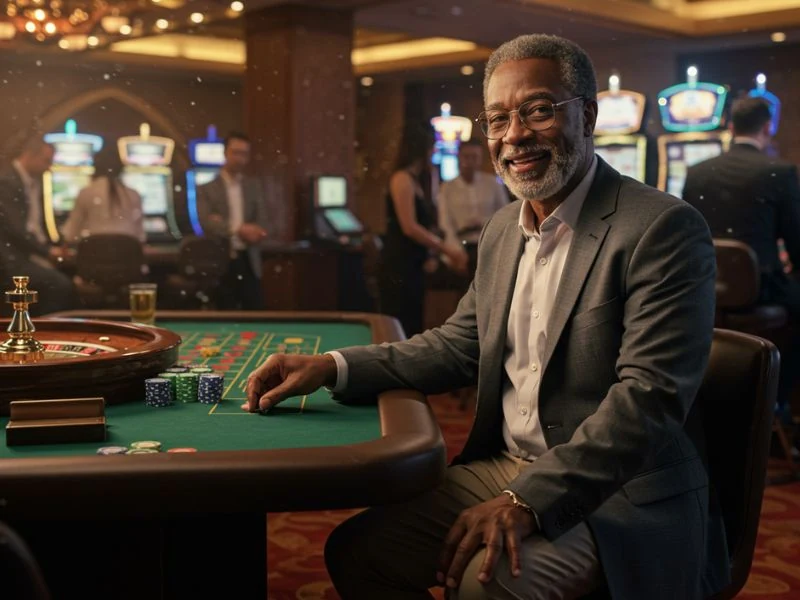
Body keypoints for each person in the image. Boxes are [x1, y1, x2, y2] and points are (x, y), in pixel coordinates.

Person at [243, 34, 729, 600]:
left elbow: (649, 398)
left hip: (619, 493)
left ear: (587, 116)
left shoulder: (661, 227)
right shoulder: (502, 229)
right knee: (360, 551)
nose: (514, 135)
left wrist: (529, 499)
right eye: (498, 119)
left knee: (486, 584)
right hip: (506, 462)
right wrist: (332, 367)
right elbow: (458, 344)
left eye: (538, 111)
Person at [683, 96, 800, 424]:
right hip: (759, 291)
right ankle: (777, 402)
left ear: (731, 126)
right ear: (768, 126)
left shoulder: (697, 171)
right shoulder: (779, 171)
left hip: (704, 289)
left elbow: (688, 234)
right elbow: (796, 244)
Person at [379, 125, 468, 337]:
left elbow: (429, 221)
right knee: (401, 330)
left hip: (412, 265)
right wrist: (446, 249)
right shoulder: (401, 178)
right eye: (432, 147)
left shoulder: (418, 179)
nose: (434, 152)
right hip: (399, 265)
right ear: (420, 148)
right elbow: (409, 227)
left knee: (412, 325)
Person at [0, 137, 76, 315]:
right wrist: (48, 252)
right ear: (29, 155)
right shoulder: (6, 182)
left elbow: (42, 225)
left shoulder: (34, 182)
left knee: (74, 275)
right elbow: (16, 230)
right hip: (12, 258)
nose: (49, 167)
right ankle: (43, 328)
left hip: (31, 252)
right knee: (60, 285)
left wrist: (58, 246)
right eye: (46, 160)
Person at [197, 132, 268, 310]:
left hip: (249, 259)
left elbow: (263, 223)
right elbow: (206, 223)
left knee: (255, 312)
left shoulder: (253, 186)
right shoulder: (206, 188)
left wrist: (255, 231)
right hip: (221, 260)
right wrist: (238, 229)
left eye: (244, 154)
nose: (239, 158)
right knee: (224, 313)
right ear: (225, 153)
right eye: (235, 152)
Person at [61, 145, 146, 244]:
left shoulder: (86, 192)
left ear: (95, 167)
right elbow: (140, 236)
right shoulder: (133, 194)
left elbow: (71, 234)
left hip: (93, 252)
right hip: (128, 252)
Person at [438, 138, 510, 247]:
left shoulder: (492, 183)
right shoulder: (447, 187)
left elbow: (505, 213)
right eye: (466, 157)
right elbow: (445, 223)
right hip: (460, 243)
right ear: (458, 158)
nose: (470, 161)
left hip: (490, 242)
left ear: (480, 159)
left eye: (475, 157)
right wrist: (455, 249)